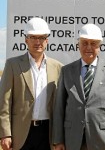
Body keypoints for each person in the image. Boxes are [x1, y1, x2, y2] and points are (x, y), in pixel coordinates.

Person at [52, 23, 105, 150]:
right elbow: (59, 107)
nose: (88, 47)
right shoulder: (67, 71)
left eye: (93, 43)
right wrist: (58, 140)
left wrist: (102, 122)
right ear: (78, 45)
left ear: (100, 46)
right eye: (84, 43)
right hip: (72, 138)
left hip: (101, 138)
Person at [0, 17, 63, 150]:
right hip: (21, 133)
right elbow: (4, 102)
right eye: (33, 37)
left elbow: (60, 107)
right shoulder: (12, 65)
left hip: (48, 133)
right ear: (26, 39)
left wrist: (59, 138)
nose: (37, 41)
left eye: (41, 37)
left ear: (47, 40)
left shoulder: (58, 67)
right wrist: (5, 134)